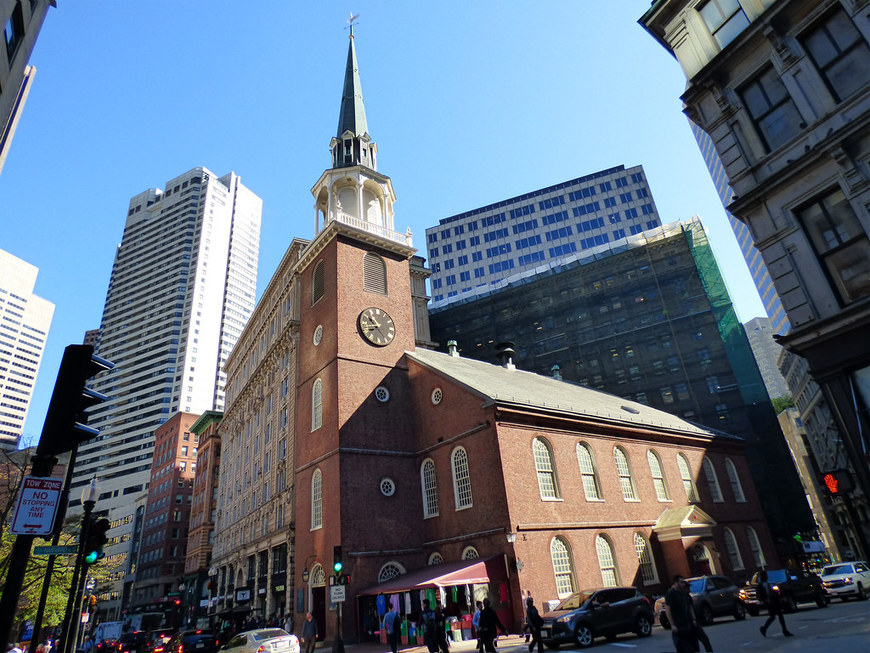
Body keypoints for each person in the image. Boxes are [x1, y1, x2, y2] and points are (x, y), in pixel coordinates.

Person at [664, 576, 697, 653]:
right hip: (678, 626)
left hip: (687, 624)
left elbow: (689, 606)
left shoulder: (683, 593)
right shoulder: (670, 593)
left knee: (691, 647)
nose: (683, 584)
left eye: (683, 582)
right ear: (676, 583)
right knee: (684, 648)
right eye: (681, 582)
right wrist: (672, 625)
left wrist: (693, 619)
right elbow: (668, 610)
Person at [757, 570, 793, 638]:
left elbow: (771, 592)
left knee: (776, 616)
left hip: (773, 601)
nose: (767, 576)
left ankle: (765, 628)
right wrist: (765, 600)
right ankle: (765, 628)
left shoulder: (766, 583)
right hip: (770, 602)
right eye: (766, 575)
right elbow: (761, 595)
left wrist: (778, 597)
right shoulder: (762, 585)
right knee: (775, 616)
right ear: (764, 576)